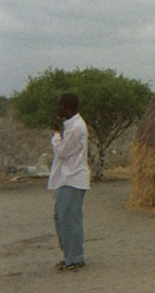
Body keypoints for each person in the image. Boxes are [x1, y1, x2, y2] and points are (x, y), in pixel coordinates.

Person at [47, 93, 90, 273]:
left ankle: (75, 258)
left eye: (60, 106)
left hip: (73, 178)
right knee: (62, 217)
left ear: (67, 107)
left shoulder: (76, 127)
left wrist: (56, 134)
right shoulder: (72, 126)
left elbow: (63, 152)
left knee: (69, 219)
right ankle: (70, 256)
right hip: (67, 178)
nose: (58, 110)